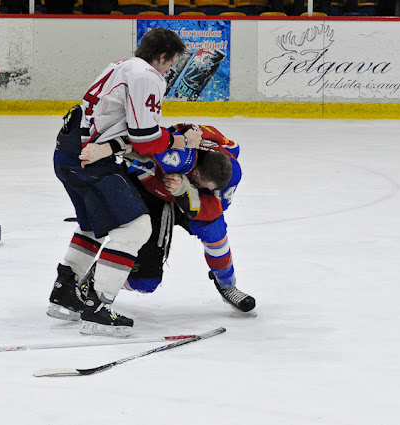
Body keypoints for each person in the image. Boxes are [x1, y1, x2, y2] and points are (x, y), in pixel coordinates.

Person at [49, 28, 201, 337]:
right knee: (136, 227)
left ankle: (65, 292)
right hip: (91, 160)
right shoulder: (148, 75)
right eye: (170, 63)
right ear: (161, 57)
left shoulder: (120, 64)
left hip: (67, 152)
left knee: (92, 222)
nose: (169, 70)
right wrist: (179, 140)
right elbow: (144, 138)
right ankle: (97, 305)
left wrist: (114, 146)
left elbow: (121, 130)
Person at [124, 123, 256, 313]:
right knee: (146, 281)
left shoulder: (231, 170)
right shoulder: (175, 159)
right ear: (195, 173)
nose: (211, 191)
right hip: (150, 195)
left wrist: (187, 193)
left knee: (214, 230)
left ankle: (228, 286)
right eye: (206, 186)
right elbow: (141, 139)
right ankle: (101, 280)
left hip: (183, 191)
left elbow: (217, 209)